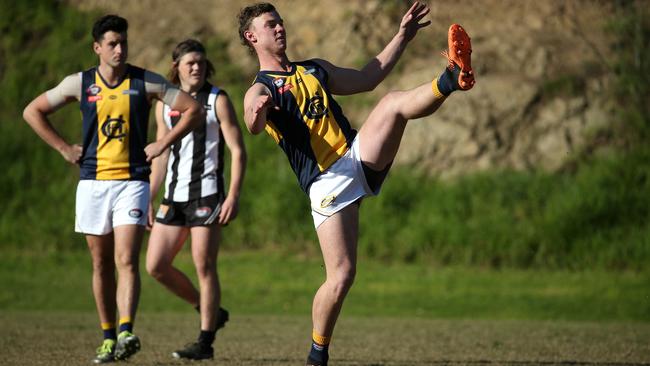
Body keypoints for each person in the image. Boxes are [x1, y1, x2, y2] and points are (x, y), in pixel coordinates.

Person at [238, 2, 475, 365]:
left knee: (393, 103)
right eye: (271, 25)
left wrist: (402, 36)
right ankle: (317, 353)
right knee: (342, 276)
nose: (280, 28)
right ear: (251, 36)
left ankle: (451, 77)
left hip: (356, 158)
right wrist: (257, 112)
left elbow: (369, 77)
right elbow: (252, 120)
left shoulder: (314, 69)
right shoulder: (262, 88)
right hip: (325, 182)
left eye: (281, 22)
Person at [22, 15, 204, 364]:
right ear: (97, 48)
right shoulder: (80, 84)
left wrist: (163, 142)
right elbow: (33, 111)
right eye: (112, 44)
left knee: (126, 259)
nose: (120, 49)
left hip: (132, 182)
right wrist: (63, 148)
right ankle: (107, 336)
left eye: (123, 42)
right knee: (101, 262)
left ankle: (125, 331)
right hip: (92, 183)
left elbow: (192, 109)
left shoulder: (145, 82)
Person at [145, 39, 247, 360]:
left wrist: (233, 194)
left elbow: (238, 150)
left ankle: (205, 342)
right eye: (190, 62)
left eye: (201, 62)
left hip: (206, 194)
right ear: (176, 66)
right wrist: (149, 196)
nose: (197, 67)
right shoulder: (164, 102)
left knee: (204, 265)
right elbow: (161, 155)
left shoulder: (218, 100)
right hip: (173, 196)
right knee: (156, 265)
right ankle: (209, 311)